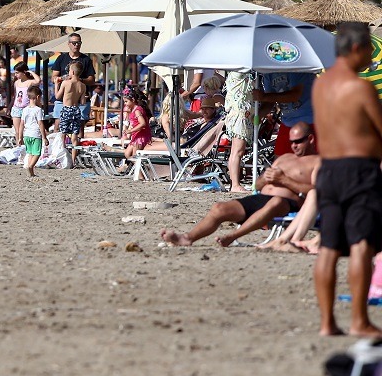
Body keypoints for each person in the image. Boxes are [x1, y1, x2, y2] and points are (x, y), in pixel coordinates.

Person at [312, 22, 382, 337]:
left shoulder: (320, 86)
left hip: (328, 170)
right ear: (355, 49)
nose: (371, 56)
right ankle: (358, 321)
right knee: (361, 245)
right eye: (369, 49)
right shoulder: (360, 87)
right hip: (359, 171)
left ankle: (327, 323)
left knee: (328, 246)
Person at [160, 121, 317, 248]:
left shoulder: (318, 162)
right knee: (219, 208)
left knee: (275, 202)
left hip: (289, 204)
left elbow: (318, 192)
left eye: (298, 141)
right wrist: (266, 179)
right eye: (291, 142)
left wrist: (284, 180)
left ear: (310, 139)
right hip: (262, 198)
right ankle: (187, 238)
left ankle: (232, 237)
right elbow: (257, 185)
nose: (294, 146)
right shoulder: (284, 158)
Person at [256, 70, 316, 157]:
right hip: (288, 122)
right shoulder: (268, 73)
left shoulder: (296, 67)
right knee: (279, 162)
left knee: (308, 161)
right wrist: (258, 115)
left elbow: (294, 95)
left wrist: (264, 97)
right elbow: (269, 101)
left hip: (309, 120)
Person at [51, 33, 96, 130]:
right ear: (68, 44)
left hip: (79, 99)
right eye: (74, 43)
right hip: (63, 99)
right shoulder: (61, 58)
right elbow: (53, 77)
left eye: (79, 43)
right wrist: (63, 79)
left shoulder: (86, 60)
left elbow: (92, 80)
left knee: (78, 129)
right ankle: (58, 144)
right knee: (58, 126)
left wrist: (78, 80)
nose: (77, 45)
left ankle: (76, 144)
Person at [224, 70, 253, 193]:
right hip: (240, 114)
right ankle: (235, 184)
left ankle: (234, 183)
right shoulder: (241, 69)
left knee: (235, 151)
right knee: (238, 151)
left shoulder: (233, 72)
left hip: (237, 113)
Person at [56, 61, 87, 164]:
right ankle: (73, 161)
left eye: (69, 70)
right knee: (74, 135)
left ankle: (63, 156)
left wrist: (57, 84)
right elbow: (83, 102)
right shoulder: (82, 86)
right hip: (76, 110)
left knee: (63, 133)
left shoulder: (66, 83)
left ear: (72, 72)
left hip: (67, 109)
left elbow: (57, 96)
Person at [21, 87, 48, 177]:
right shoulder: (38, 110)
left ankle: (31, 172)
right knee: (37, 153)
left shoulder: (25, 110)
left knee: (30, 153)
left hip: (26, 134)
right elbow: (40, 123)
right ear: (37, 97)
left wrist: (20, 137)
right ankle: (30, 166)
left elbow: (22, 124)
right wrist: (44, 137)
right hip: (35, 134)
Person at [11, 63, 41, 143]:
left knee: (26, 130)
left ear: (23, 72)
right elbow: (15, 95)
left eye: (17, 72)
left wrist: (30, 72)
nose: (16, 74)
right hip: (16, 107)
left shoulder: (29, 82)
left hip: (26, 108)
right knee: (17, 131)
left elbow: (38, 80)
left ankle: (26, 147)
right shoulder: (16, 82)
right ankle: (19, 146)